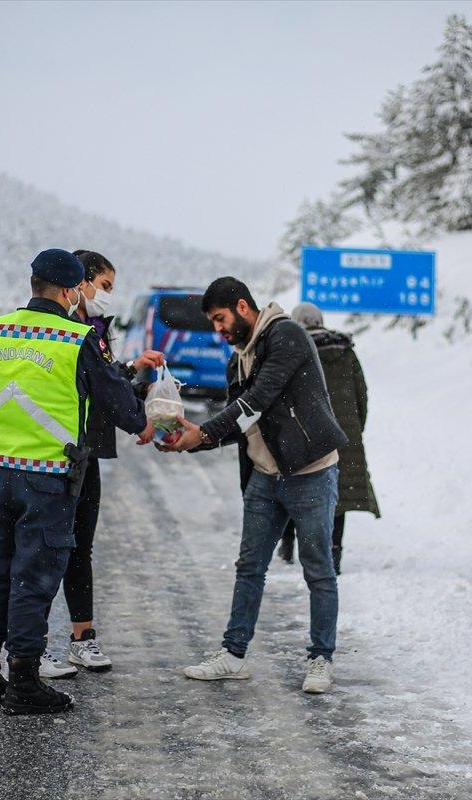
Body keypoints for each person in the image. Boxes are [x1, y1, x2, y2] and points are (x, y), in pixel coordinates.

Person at [0, 248, 151, 715]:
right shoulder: (75, 338)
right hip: (48, 478)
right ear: (67, 291)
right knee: (33, 578)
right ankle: (23, 683)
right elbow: (115, 400)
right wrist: (143, 424)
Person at [158, 277, 348, 694]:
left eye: (220, 319)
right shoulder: (237, 359)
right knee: (250, 567)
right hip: (266, 475)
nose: (218, 330)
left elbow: (257, 400)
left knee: (318, 569)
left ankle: (320, 659)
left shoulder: (287, 336)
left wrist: (203, 433)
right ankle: (233, 654)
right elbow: (242, 422)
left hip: (311, 471)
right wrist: (193, 440)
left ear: (243, 307)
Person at [37, 249, 164, 679]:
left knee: (79, 546)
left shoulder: (96, 328)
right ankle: (29, 645)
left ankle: (82, 638)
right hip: (55, 453)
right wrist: (141, 423)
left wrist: (131, 368)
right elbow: (96, 386)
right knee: (43, 548)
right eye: (105, 287)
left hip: (85, 451)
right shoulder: (62, 331)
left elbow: (103, 381)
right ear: (81, 283)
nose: (108, 296)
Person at [278, 302, 379, 575]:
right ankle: (334, 554)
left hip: (304, 433)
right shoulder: (345, 351)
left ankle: (289, 543)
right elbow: (362, 394)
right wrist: (355, 429)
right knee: (339, 496)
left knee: (293, 487)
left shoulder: (293, 350)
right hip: (342, 434)